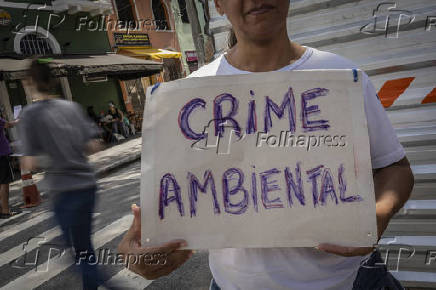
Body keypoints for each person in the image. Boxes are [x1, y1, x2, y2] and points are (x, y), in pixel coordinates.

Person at [117, 0, 415, 289]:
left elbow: (395, 168)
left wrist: (378, 214)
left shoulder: (343, 79)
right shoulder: (186, 99)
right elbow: (176, 200)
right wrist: (141, 250)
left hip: (352, 281)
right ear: (218, 5)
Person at [19, 60, 103, 290]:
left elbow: (29, 162)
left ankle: (115, 285)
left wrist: (45, 156)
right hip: (87, 185)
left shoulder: (30, 115)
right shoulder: (71, 107)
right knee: (85, 248)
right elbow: (94, 145)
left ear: (30, 83)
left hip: (63, 190)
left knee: (76, 253)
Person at [0, 115, 19, 219]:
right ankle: (6, 211)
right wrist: (18, 120)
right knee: (4, 183)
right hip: (1, 155)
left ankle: (1, 209)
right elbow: (9, 125)